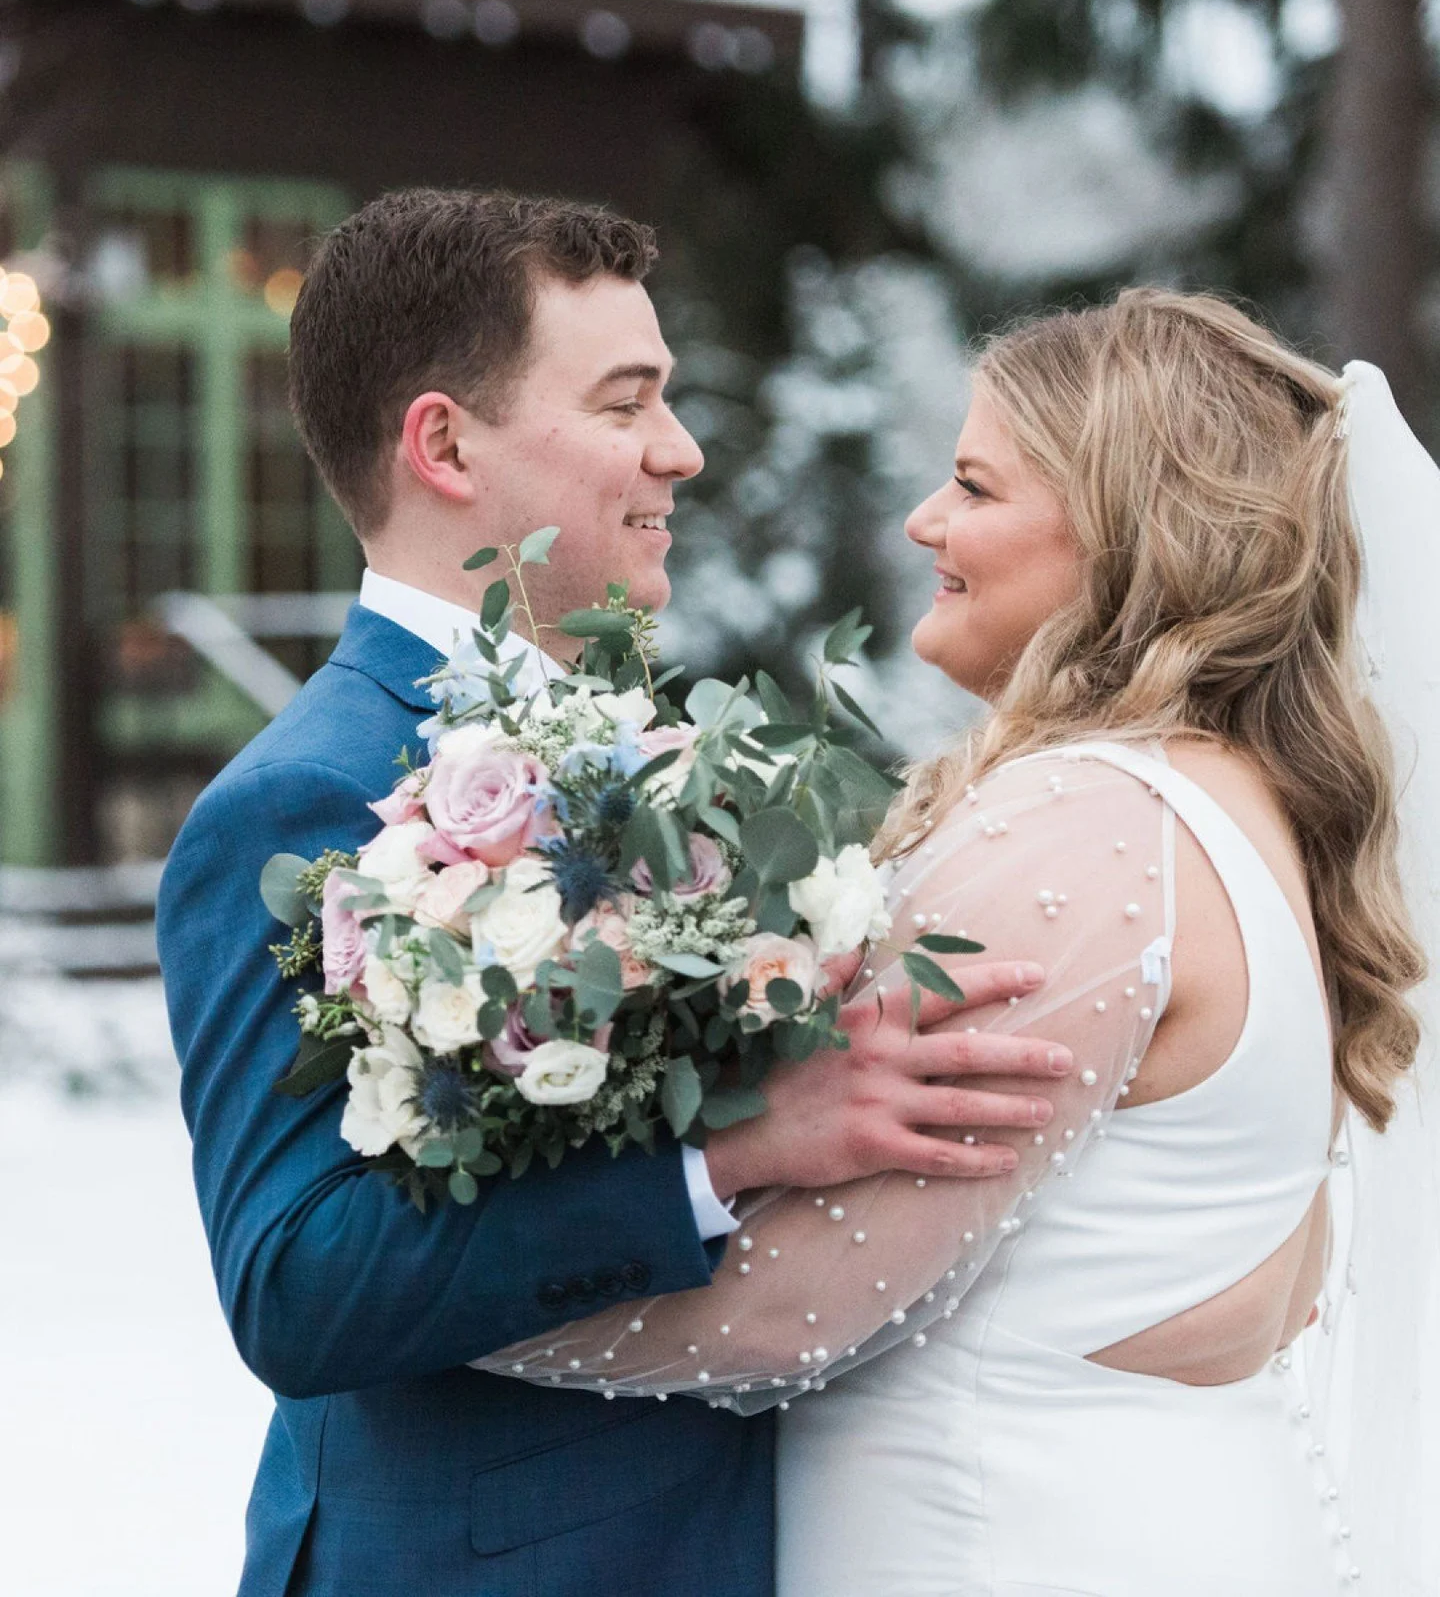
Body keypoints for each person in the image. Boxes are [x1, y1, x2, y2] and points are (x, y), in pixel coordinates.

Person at [156, 188, 1071, 1597]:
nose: (681, 452)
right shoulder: (297, 801)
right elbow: (295, 1282)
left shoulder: (675, 756)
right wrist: (733, 1154)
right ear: (445, 443)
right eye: (626, 402)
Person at [480, 289, 1431, 1595]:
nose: (924, 521)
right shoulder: (1227, 804)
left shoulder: (1100, 825)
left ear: (1129, 532)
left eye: (974, 485)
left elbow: (788, 1307)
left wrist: (436, 1304)